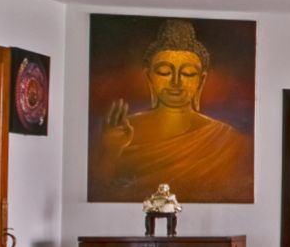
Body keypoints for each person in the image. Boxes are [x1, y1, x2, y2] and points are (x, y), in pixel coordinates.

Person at [91, 19, 251, 201]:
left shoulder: (228, 140)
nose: (176, 82)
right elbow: (99, 188)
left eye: (188, 73)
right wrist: (111, 152)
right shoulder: (122, 132)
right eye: (164, 72)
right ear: (149, 77)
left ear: (201, 80)